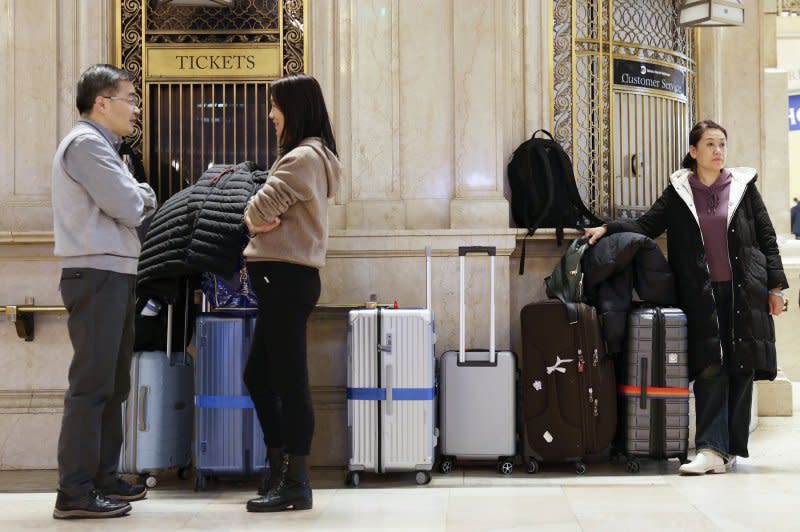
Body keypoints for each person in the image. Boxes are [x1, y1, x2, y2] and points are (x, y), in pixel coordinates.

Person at [584, 119, 787, 475]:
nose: (718, 151)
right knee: (710, 366)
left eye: (722, 144)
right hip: (701, 292)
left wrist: (775, 288)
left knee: (742, 367)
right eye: (710, 144)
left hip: (745, 291)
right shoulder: (680, 192)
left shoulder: (743, 187)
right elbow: (646, 225)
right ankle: (710, 448)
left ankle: (728, 449)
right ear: (693, 152)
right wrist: (608, 228)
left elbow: (766, 238)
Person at [51, 64, 157, 518]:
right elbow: (130, 205)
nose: (136, 109)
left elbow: (128, 201)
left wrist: (137, 193)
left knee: (113, 384)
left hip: (113, 272)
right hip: (95, 274)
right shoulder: (85, 145)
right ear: (101, 103)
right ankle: (74, 492)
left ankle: (101, 477)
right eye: (130, 99)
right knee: (91, 386)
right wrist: (143, 194)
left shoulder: (105, 148)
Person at [242, 74, 341, 512]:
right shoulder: (309, 156)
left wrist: (252, 218)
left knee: (289, 380)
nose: (270, 115)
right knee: (260, 377)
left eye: (275, 106)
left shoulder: (301, 158)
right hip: (283, 279)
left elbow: (257, 210)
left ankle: (296, 481)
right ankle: (280, 469)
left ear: (295, 108)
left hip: (286, 277)